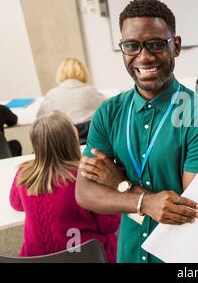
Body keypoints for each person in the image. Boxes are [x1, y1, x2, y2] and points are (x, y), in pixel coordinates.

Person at [75, 0, 198, 263]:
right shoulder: (109, 113)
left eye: (156, 44)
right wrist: (146, 202)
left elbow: (194, 212)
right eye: (131, 45)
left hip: (180, 255)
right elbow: (85, 192)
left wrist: (120, 185)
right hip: (129, 252)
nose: (144, 57)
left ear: (175, 46)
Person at [9, 111, 120, 262]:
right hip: (86, 256)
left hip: (36, 257)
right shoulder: (87, 175)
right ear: (72, 140)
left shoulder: (24, 173)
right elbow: (109, 225)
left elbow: (16, 204)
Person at [37, 58, 105, 143]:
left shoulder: (52, 94)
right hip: (89, 139)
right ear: (83, 71)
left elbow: (40, 119)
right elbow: (107, 109)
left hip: (62, 141)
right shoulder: (91, 91)